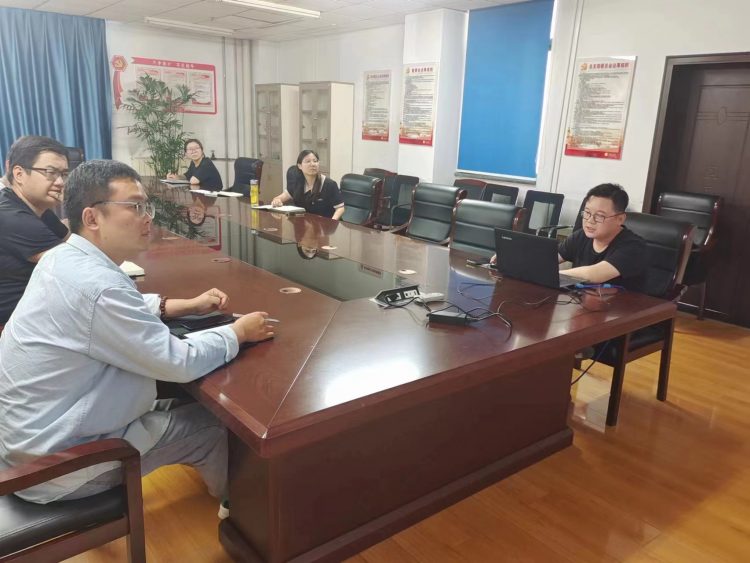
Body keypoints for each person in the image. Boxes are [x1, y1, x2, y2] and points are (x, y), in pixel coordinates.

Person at [0, 159, 274, 507]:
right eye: (135, 207)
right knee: (214, 428)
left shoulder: (64, 258)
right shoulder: (97, 287)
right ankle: (242, 516)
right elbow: (179, 362)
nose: (148, 218)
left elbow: (111, 308)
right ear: (92, 218)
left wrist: (180, 306)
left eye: (147, 206)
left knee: (183, 401)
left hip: (33, 440)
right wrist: (237, 333)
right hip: (60, 464)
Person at [0, 135, 70, 324]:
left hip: (35, 318)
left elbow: (71, 241)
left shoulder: (38, 209)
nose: (60, 182)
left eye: (63, 174)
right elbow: (72, 265)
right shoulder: (11, 216)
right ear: (19, 174)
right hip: (10, 329)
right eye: (50, 172)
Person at [558, 183, 647, 291]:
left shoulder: (634, 247)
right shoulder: (581, 236)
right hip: (580, 299)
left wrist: (554, 274)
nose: (590, 221)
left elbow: (594, 274)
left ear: (620, 219)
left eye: (600, 216)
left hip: (620, 301)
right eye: (587, 213)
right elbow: (550, 259)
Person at [271, 149, 345, 220]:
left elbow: (340, 208)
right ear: (300, 166)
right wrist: (277, 200)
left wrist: (331, 222)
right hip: (304, 224)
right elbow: (281, 197)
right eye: (308, 161)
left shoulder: (329, 184)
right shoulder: (297, 183)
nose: (312, 164)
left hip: (326, 226)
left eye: (315, 161)